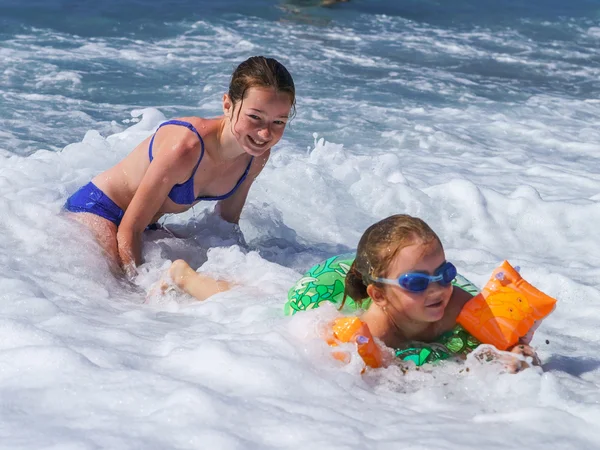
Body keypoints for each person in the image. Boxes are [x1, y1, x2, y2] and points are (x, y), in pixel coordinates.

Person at [160, 214, 541, 372]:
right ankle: (185, 276)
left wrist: (515, 349)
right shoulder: (372, 326)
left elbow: (504, 345)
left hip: (376, 267)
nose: (439, 287)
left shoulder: (454, 301)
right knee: (260, 306)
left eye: (445, 272)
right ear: (378, 296)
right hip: (332, 279)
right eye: (418, 282)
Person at [65, 56, 295, 277]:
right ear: (227, 104)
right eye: (255, 117)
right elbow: (129, 230)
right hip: (97, 210)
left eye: (278, 122)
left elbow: (225, 226)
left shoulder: (256, 157)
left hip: (144, 226)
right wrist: (138, 290)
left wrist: (247, 268)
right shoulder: (186, 148)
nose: (265, 133)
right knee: (118, 294)